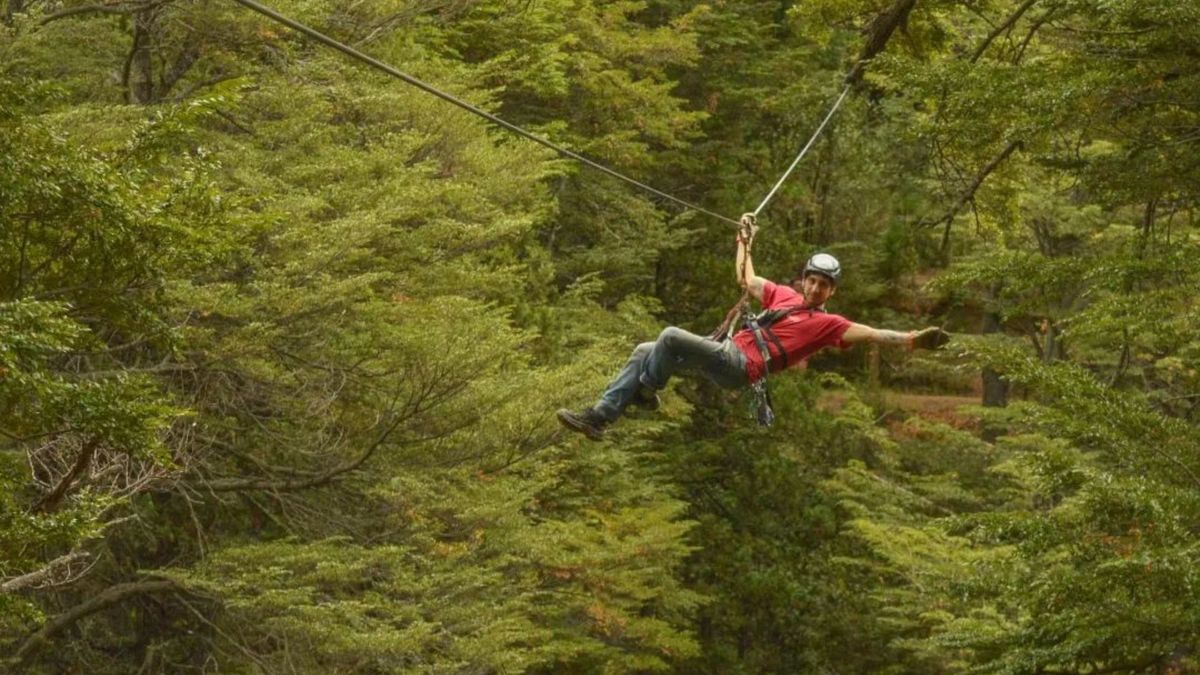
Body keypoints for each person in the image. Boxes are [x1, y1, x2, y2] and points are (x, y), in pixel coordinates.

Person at [556, 214, 950, 440]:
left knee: (670, 336)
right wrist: (743, 239)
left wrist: (914, 339)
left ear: (831, 291)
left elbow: (873, 333)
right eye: (812, 279)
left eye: (823, 285)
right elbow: (747, 278)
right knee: (645, 351)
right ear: (804, 278)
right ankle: (600, 417)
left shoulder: (829, 324)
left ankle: (647, 391)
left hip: (742, 365)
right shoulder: (783, 295)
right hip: (726, 355)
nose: (815, 287)